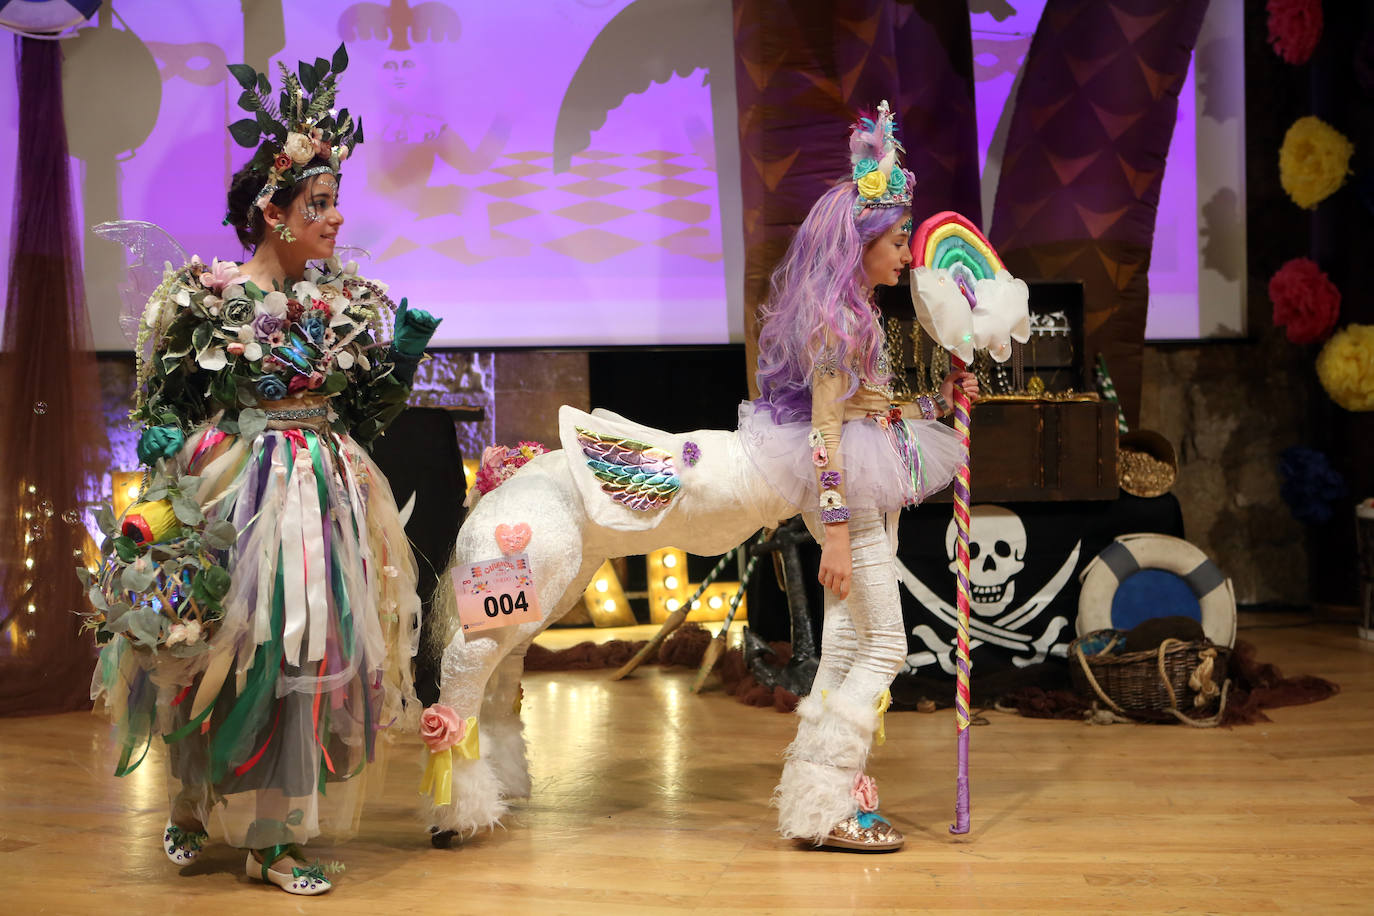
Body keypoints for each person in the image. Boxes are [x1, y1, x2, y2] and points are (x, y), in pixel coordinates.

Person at [88, 46, 440, 895]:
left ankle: (274, 836)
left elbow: (361, 418)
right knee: (218, 646)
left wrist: (397, 361)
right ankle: (190, 800)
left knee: (311, 652)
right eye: (319, 202)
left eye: (335, 202)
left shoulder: (346, 305)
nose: (335, 219)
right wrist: (164, 440)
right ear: (274, 210)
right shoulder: (206, 298)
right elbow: (163, 399)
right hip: (239, 489)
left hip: (322, 493)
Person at [741, 101, 979, 851]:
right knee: (887, 649)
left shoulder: (860, 316)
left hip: (865, 477)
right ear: (863, 246)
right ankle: (830, 795)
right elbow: (822, 431)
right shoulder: (838, 326)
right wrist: (837, 536)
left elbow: (867, 407)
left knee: (846, 646)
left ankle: (814, 798)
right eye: (899, 241)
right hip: (842, 492)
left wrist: (939, 399)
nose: (907, 254)